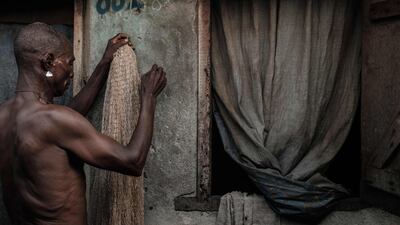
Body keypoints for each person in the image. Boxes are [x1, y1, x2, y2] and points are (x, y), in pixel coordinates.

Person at [0, 22, 166, 225]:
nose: (71, 72)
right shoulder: (54, 120)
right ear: (48, 62)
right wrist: (148, 97)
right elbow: (132, 161)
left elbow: (62, 119)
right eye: (69, 63)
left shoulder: (6, 116)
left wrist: (104, 63)